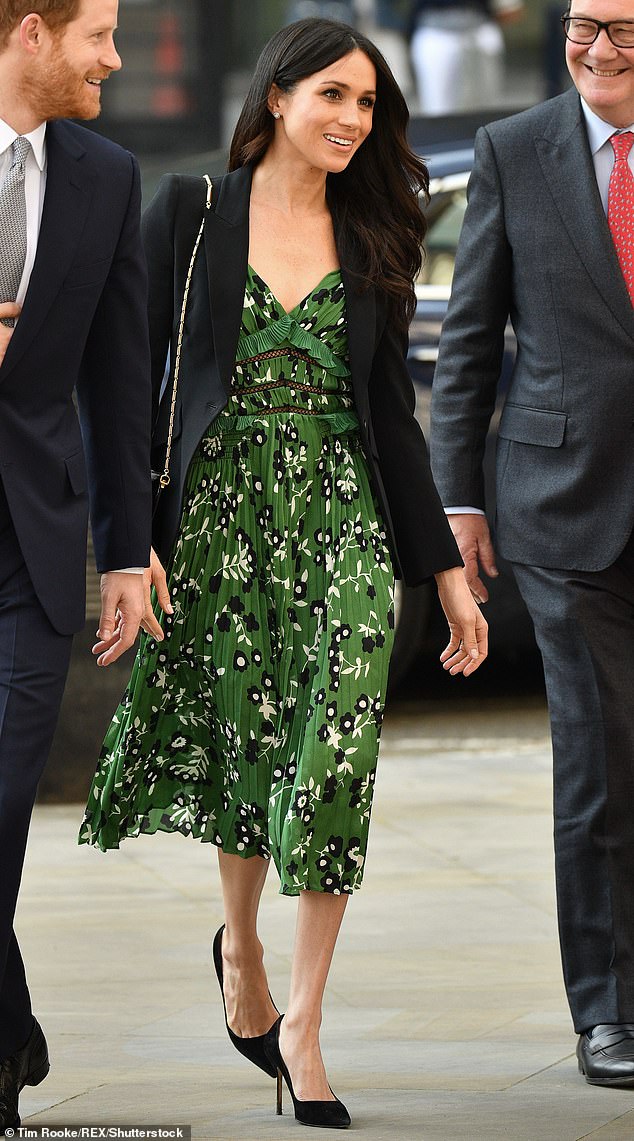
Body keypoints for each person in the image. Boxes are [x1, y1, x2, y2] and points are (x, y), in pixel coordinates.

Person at [79, 16, 487, 1130]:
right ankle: (241, 947)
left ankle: (303, 1019)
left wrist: (443, 572)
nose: (354, 122)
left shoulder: (378, 232)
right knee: (248, 744)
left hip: (342, 520)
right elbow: (132, 377)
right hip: (218, 520)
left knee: (334, 749)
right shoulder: (193, 214)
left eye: (369, 106)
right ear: (276, 98)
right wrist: (132, 536)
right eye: (335, 99)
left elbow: (392, 418)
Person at [430, 0, 634, 1089]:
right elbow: (465, 343)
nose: (598, 51)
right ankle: (606, 1009)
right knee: (596, 764)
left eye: (623, 32)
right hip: (560, 505)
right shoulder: (516, 152)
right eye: (580, 28)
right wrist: (455, 499)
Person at [0, 0, 162, 1132]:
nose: (115, 57)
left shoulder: (107, 173)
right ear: (27, 35)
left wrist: (128, 553)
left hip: (37, 544)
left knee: (4, 797)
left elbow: (117, 376)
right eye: (98, 33)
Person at [409, 0, 524, 115]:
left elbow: (510, 12)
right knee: (439, 109)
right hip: (436, 32)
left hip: (480, 28)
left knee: (485, 108)